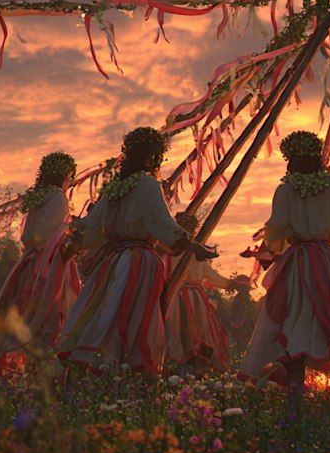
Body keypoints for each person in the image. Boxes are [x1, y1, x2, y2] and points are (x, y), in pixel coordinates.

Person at [239, 131, 330, 406]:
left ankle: (297, 391)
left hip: (298, 265)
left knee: (296, 320)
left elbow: (278, 227)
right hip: (325, 263)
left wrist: (269, 245)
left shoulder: (286, 189)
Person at [58, 127, 216, 374]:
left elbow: (91, 228)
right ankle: (126, 373)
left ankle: (98, 369)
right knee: (134, 320)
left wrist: (74, 243)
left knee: (102, 313)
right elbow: (161, 223)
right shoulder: (148, 185)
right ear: (154, 156)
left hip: (109, 263)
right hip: (138, 264)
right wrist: (192, 245)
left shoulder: (113, 188)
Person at [0, 151, 82, 359]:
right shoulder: (57, 197)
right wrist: (71, 230)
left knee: (24, 310)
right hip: (48, 263)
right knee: (48, 314)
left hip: (30, 262)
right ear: (65, 175)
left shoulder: (40, 197)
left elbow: (30, 234)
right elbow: (46, 234)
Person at [165, 211, 247, 371]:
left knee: (178, 332)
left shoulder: (169, 251)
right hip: (193, 299)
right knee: (198, 332)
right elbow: (212, 276)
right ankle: (194, 367)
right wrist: (231, 284)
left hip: (175, 297)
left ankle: (179, 368)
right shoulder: (196, 252)